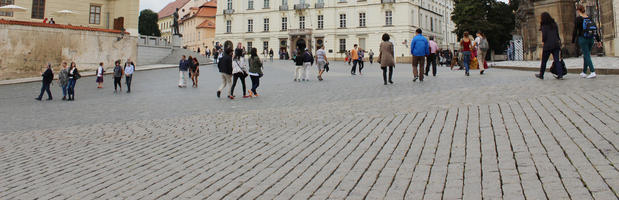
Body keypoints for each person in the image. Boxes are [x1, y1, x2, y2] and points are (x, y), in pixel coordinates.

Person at [573, 4, 601, 79]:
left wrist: (573, 40)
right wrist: (598, 40)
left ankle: (592, 72)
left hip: (583, 38)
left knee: (586, 55)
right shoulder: (590, 18)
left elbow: (575, 30)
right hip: (591, 38)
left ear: (578, 10)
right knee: (586, 54)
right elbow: (595, 29)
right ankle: (584, 72)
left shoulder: (578, 19)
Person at [535, 12, 563, 80]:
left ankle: (541, 74)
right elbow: (557, 34)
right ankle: (560, 74)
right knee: (556, 60)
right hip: (556, 44)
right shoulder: (554, 24)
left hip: (547, 45)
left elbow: (544, 36)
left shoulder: (544, 26)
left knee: (544, 61)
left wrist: (543, 41)